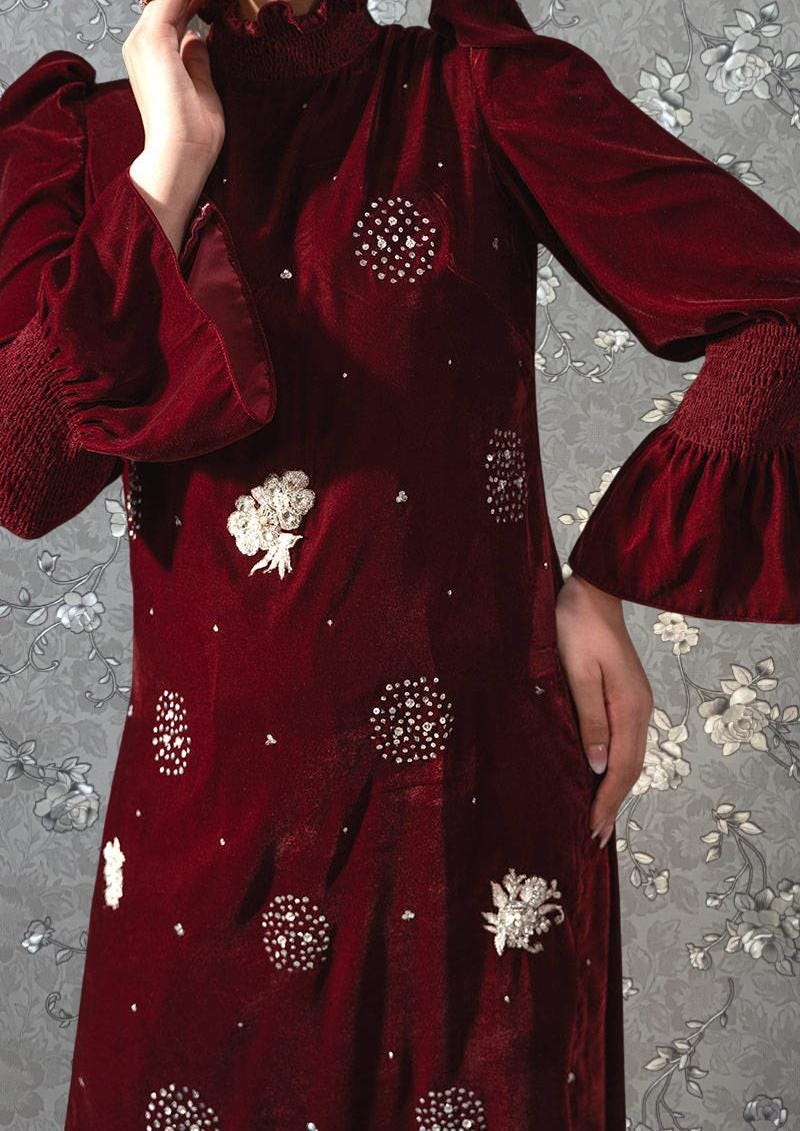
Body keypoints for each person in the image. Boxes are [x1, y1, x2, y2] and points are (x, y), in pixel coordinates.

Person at [1, 0, 798, 1127]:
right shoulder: (86, 139)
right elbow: (25, 477)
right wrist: (169, 166)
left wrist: (606, 578)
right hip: (203, 857)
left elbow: (778, 307)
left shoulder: (477, 93)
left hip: (464, 832)